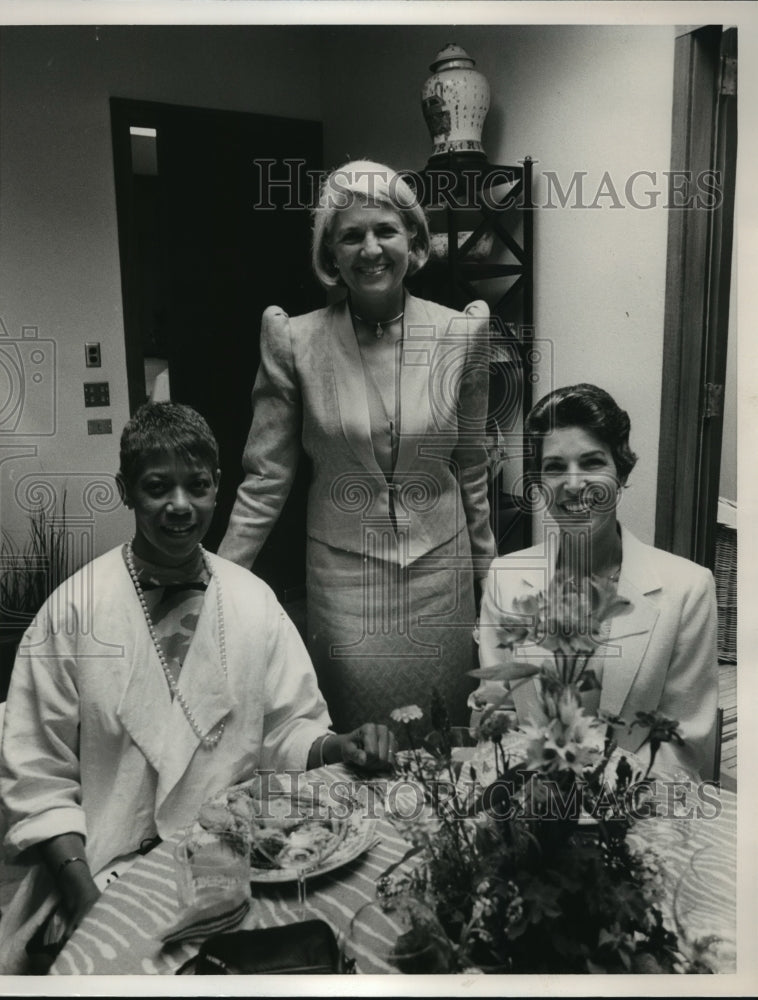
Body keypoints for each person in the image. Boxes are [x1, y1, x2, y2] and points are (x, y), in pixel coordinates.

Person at [0, 402, 393, 974]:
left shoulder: (252, 600)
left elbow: (285, 729)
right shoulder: (72, 613)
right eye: (158, 487)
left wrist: (337, 745)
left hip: (234, 861)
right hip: (98, 868)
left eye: (198, 486)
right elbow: (37, 779)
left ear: (217, 489)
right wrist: (88, 900)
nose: (180, 506)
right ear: (126, 490)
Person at [218, 159, 497, 732]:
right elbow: (266, 476)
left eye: (385, 230)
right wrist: (219, 577)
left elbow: (471, 466)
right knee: (357, 745)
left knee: (443, 734)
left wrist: (491, 578)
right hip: (346, 584)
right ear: (331, 254)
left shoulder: (461, 333)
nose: (370, 248)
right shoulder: (294, 340)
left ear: (413, 241)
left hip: (441, 573)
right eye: (351, 235)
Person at [477, 383, 718, 780]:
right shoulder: (506, 578)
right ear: (538, 482)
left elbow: (683, 744)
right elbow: (498, 713)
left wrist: (602, 802)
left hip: (634, 814)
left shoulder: (688, 589)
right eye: (555, 467)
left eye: (592, 463)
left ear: (620, 472)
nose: (574, 484)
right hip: (534, 810)